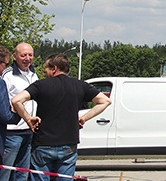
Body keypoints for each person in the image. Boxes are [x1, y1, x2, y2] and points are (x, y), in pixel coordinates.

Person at [11, 53, 111, 181]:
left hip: (43, 143)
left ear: (54, 68)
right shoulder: (80, 85)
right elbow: (105, 101)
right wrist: (84, 118)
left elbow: (16, 100)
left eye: (46, 69)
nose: (44, 72)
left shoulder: (40, 85)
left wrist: (28, 118)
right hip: (68, 143)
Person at [1, 43, 38, 181]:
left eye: (30, 55)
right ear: (15, 56)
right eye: (23, 55)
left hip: (29, 131)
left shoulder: (34, 74)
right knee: (6, 171)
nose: (27, 58)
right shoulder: (8, 74)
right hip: (12, 132)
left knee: (22, 173)